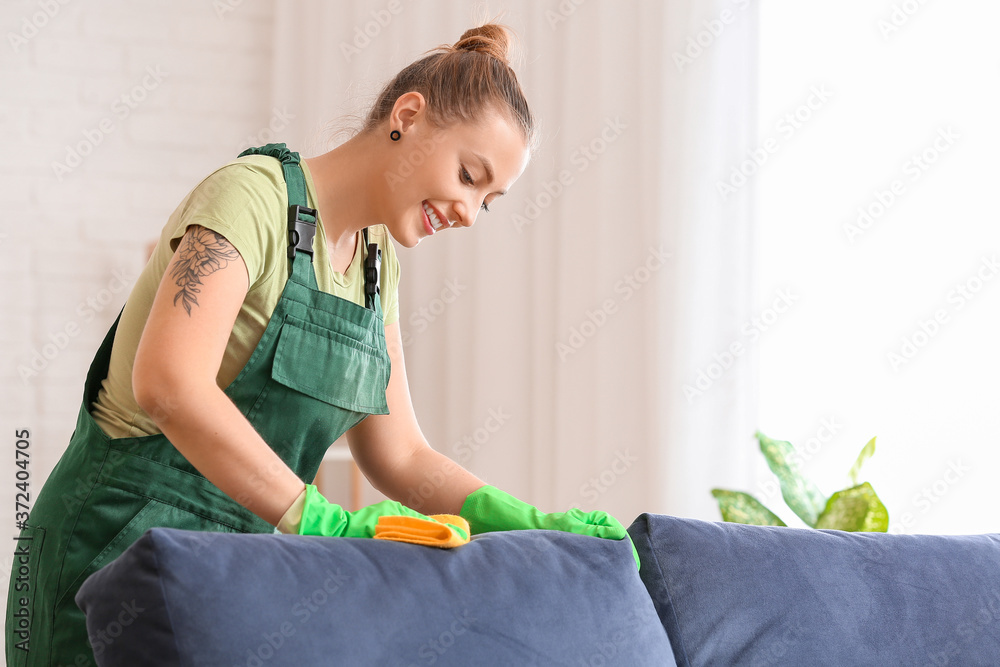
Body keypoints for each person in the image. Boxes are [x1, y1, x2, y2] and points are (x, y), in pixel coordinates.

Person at [5, 22, 637, 665]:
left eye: (490, 201)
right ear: (409, 116)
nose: (470, 213)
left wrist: (529, 525)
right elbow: (170, 384)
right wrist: (315, 519)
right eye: (469, 175)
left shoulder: (376, 264)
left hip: (236, 577)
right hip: (110, 550)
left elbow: (401, 456)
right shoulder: (251, 197)